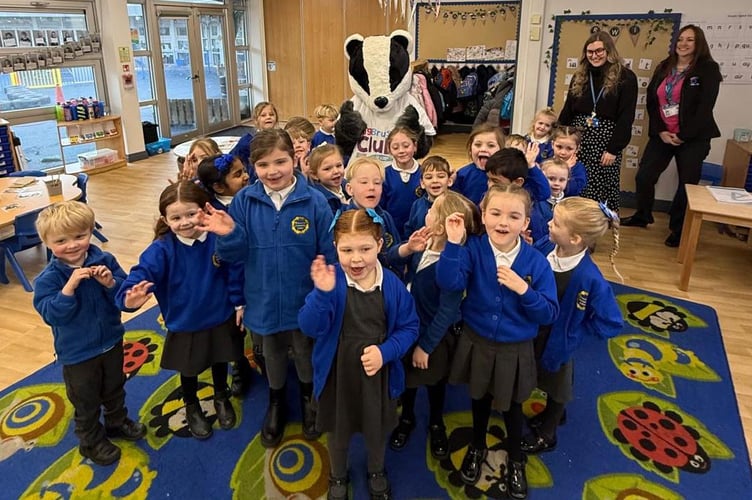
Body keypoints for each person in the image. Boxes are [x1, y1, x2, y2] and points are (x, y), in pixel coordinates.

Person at [197, 129, 336, 448]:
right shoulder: (244, 201)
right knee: (271, 354)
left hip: (304, 299)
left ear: (294, 160)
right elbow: (232, 256)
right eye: (262, 165)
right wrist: (228, 234)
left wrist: (325, 293)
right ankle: (276, 400)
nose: (273, 171)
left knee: (304, 352)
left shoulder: (315, 201)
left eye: (280, 162)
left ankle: (307, 397)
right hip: (262, 299)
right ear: (252, 167)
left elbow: (328, 253)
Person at [436, 184, 558, 498]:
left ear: (526, 223)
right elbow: (449, 282)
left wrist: (523, 290)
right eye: (496, 213)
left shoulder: (535, 262)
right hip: (477, 342)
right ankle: (477, 447)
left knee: (513, 406)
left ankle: (515, 458)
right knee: (479, 398)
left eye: (514, 216)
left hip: (514, 349)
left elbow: (548, 313)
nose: (503, 222)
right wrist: (452, 244)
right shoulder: (473, 249)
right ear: (484, 214)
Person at [298, 209, 419, 500]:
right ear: (335, 248)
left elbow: (410, 327)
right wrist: (323, 294)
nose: (356, 259)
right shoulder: (331, 281)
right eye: (346, 250)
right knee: (337, 432)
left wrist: (385, 351)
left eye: (365, 249)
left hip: (378, 375)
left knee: (376, 430)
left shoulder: (392, 284)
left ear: (380, 245)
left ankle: (376, 469)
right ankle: (337, 473)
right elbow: (309, 326)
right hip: (337, 374)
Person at [117, 182, 245, 439]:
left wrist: (239, 302)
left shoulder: (218, 239)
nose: (184, 222)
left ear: (204, 210)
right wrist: (130, 298)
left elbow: (236, 270)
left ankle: (221, 396)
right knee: (189, 369)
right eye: (175, 217)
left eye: (190, 214)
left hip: (220, 316)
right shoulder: (161, 250)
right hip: (185, 323)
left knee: (221, 358)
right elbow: (138, 277)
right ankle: (192, 404)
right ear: (165, 219)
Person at [33, 201, 146, 465]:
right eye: (61, 240)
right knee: (86, 400)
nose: (72, 245)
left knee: (115, 387)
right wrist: (68, 289)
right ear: (47, 242)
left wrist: (110, 284)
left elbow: (122, 295)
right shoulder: (49, 279)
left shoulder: (104, 260)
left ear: (91, 232)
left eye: (80, 236)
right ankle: (91, 441)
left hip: (111, 341)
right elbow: (51, 314)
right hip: (77, 354)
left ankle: (117, 422)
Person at [522, 197, 623, 454]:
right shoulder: (547, 246)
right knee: (540, 375)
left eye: (555, 223)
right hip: (535, 330)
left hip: (559, 339)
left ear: (576, 238)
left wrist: (574, 331)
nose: (548, 224)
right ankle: (549, 414)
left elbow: (611, 321)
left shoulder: (589, 278)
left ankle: (548, 432)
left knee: (558, 385)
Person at [389, 192, 481, 458]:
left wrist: (427, 346)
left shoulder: (456, 259)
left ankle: (436, 420)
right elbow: (391, 259)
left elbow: (448, 305)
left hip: (434, 336)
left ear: (441, 225)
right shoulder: (425, 242)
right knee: (408, 379)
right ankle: (407, 417)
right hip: (408, 328)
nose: (426, 211)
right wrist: (407, 248)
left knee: (434, 381)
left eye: (432, 210)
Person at [621, 25, 722, 248]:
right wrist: (660, 131)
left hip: (693, 138)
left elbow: (705, 107)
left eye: (690, 40)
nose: (683, 44)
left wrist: (684, 135)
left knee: (687, 185)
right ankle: (643, 215)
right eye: (680, 39)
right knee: (644, 176)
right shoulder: (665, 67)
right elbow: (652, 101)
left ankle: (678, 229)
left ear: (699, 44)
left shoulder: (708, 69)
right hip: (663, 134)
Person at [558, 31, 638, 212]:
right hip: (578, 138)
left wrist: (613, 149)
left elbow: (626, 116)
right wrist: (559, 138)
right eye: (590, 51)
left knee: (598, 187)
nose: (594, 55)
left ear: (609, 51)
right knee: (574, 180)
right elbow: (568, 110)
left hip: (606, 140)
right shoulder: (580, 76)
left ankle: (592, 227)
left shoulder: (626, 77)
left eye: (599, 51)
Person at [197, 154, 254, 396]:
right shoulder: (213, 212)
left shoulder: (251, 199)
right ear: (219, 187)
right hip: (228, 280)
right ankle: (239, 364)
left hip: (255, 271)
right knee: (233, 330)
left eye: (244, 170)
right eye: (238, 174)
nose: (246, 176)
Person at [344, 156, 430, 280]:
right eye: (364, 182)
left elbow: (390, 255)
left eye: (377, 183)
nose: (372, 187)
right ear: (350, 189)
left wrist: (408, 248)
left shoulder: (385, 217)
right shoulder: (343, 220)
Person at [485, 148, 551, 245]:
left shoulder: (527, 195)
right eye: (489, 179)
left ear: (518, 182)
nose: (489, 185)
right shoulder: (490, 195)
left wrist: (531, 166)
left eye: (496, 181)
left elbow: (544, 192)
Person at [381, 126, 421, 239]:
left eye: (406, 146)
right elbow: (381, 207)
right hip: (392, 232)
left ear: (415, 146)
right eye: (395, 147)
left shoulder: (425, 174)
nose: (401, 151)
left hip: (419, 232)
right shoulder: (384, 175)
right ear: (389, 150)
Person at [451, 123, 505, 205]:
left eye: (491, 145)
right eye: (478, 145)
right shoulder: (463, 174)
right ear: (470, 149)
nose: (483, 149)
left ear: (501, 150)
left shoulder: (507, 173)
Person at [403, 155, 453, 237]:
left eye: (440, 176)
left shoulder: (455, 205)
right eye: (429, 177)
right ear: (422, 183)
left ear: (449, 181)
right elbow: (410, 229)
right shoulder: (417, 205)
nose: (435, 180)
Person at [308, 143, 348, 214]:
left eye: (339, 165)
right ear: (314, 175)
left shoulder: (348, 186)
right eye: (327, 169)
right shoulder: (320, 200)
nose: (336, 171)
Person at [550, 125, 587, 196]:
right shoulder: (546, 163)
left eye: (569, 148)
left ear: (577, 149)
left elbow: (574, 190)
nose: (563, 152)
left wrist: (566, 169)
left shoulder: (578, 167)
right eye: (559, 147)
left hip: (566, 203)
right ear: (552, 144)